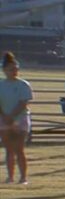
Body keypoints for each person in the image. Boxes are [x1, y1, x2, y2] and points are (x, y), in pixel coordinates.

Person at [0, 52, 33, 185]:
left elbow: (23, 103)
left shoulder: (23, 85)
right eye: (10, 69)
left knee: (19, 149)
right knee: (8, 149)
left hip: (20, 118)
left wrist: (12, 117)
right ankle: (10, 177)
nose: (13, 72)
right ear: (4, 70)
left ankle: (23, 177)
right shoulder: (1, 84)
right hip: (4, 119)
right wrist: (5, 116)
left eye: (15, 69)